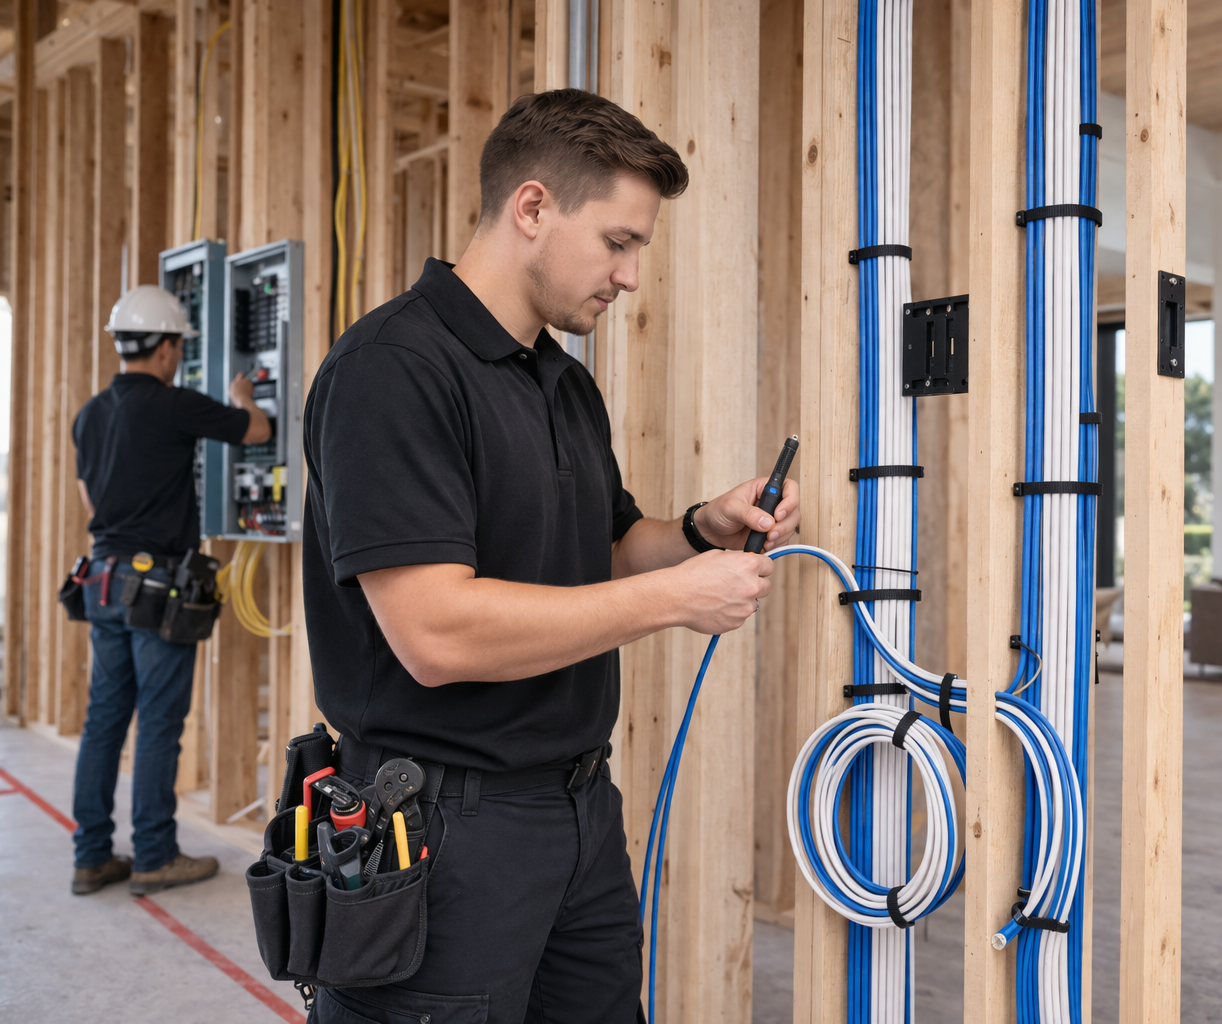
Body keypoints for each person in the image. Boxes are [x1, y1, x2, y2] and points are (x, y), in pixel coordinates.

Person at [302, 89, 798, 1023]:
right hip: (439, 831)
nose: (632, 276)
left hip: (577, 815)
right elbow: (435, 634)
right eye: (619, 242)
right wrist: (678, 599)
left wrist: (700, 528)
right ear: (532, 208)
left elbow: (604, 552)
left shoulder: (563, 382)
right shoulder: (392, 372)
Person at [70, 285, 272, 897]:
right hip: (156, 589)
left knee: (104, 721)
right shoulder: (173, 404)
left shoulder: (91, 413)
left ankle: (92, 856)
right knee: (159, 723)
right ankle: (155, 854)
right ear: (164, 349)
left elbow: (91, 503)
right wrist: (243, 397)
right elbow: (257, 431)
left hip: (102, 581)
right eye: (178, 345)